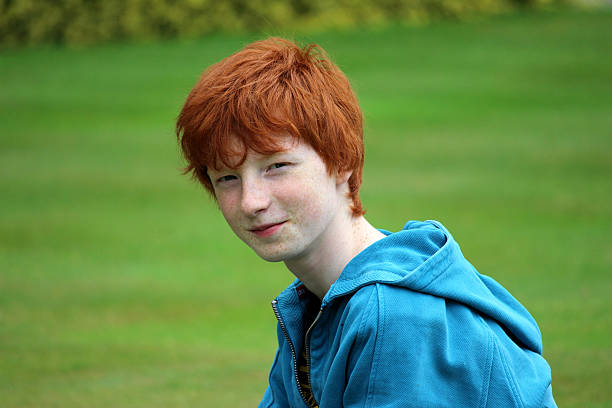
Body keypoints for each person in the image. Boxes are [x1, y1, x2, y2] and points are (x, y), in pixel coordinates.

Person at [175, 37, 557, 408]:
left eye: (277, 166)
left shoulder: (395, 313)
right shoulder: (314, 301)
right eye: (227, 177)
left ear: (341, 162)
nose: (251, 201)